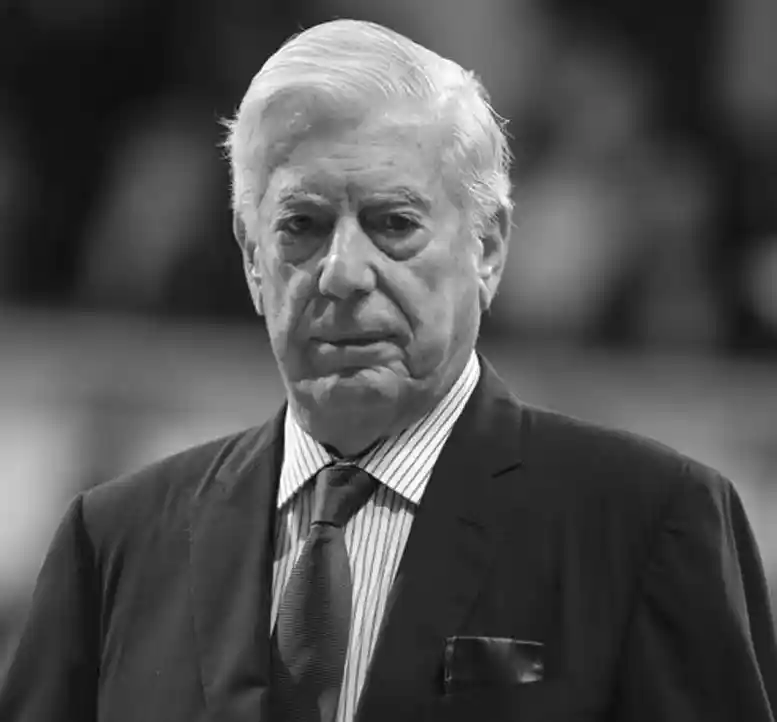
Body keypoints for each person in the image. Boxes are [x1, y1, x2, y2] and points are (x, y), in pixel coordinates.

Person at [1, 18, 775, 722]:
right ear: (250, 256)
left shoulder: (648, 522)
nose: (342, 271)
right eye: (301, 225)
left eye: (393, 223)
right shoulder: (114, 543)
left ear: (487, 248)